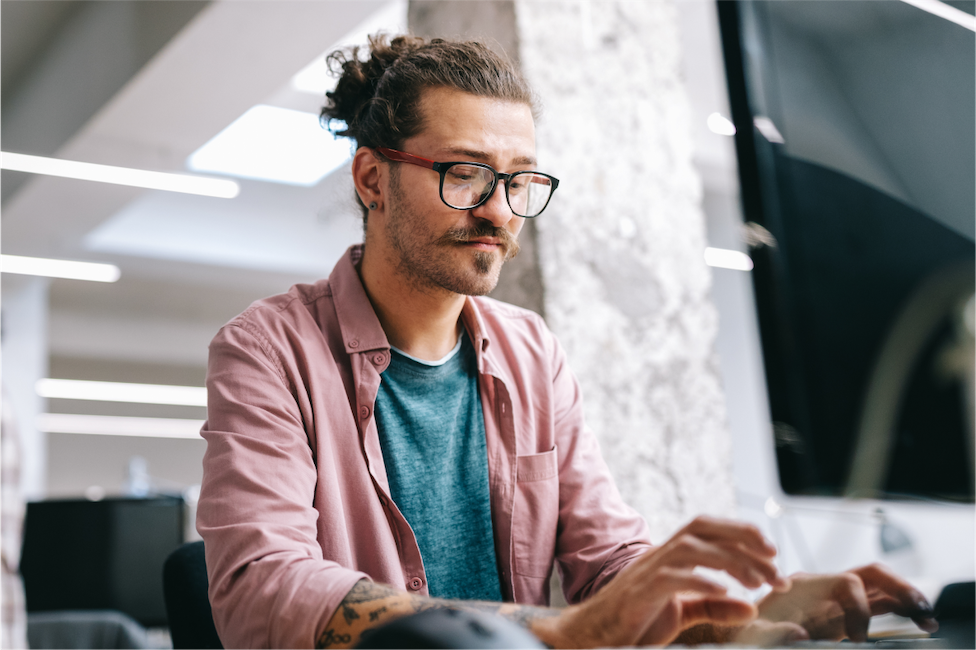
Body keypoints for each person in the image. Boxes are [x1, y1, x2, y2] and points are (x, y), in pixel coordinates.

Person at [196, 35, 937, 650]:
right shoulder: (269, 349)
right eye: (464, 174)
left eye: (519, 181)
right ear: (371, 178)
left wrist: (747, 611)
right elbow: (262, 590)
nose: (498, 211)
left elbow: (610, 565)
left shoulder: (530, 352)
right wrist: (564, 633)